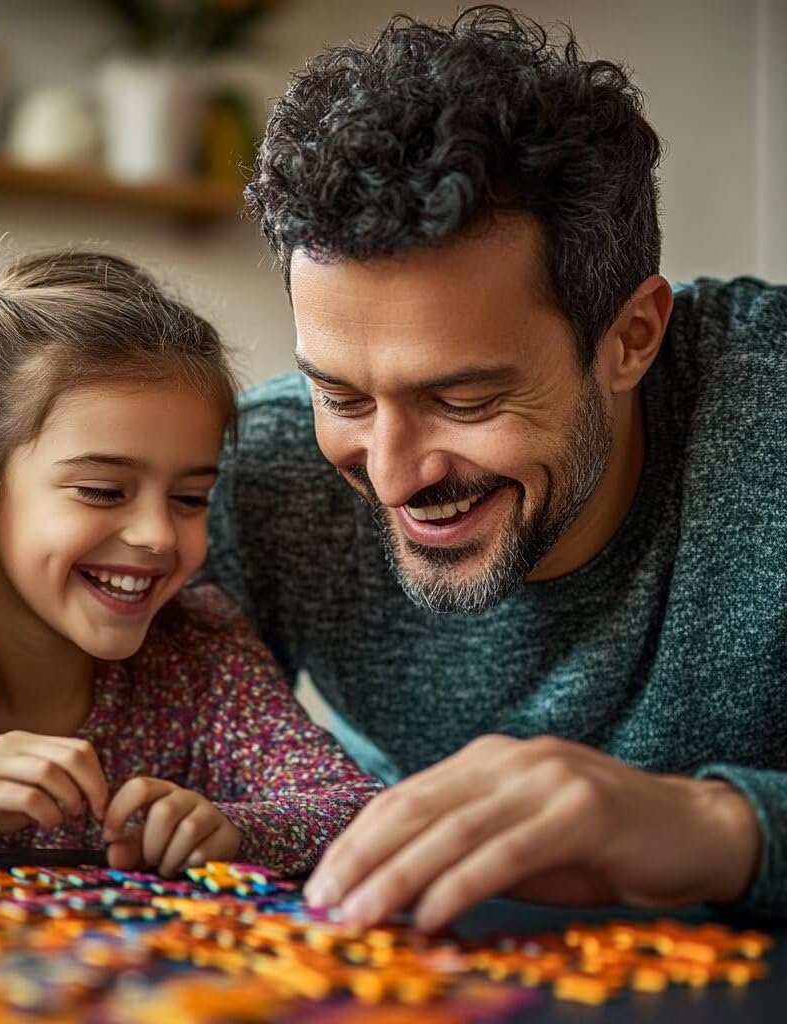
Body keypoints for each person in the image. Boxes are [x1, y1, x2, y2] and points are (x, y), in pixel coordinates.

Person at [206, 5, 787, 931]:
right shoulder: (262, 469)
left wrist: (717, 826)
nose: (392, 476)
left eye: (464, 401)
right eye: (344, 398)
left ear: (632, 337)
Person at [0, 249, 381, 873]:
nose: (157, 536)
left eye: (191, 498)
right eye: (103, 491)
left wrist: (236, 830)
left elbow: (360, 811)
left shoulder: (204, 655)